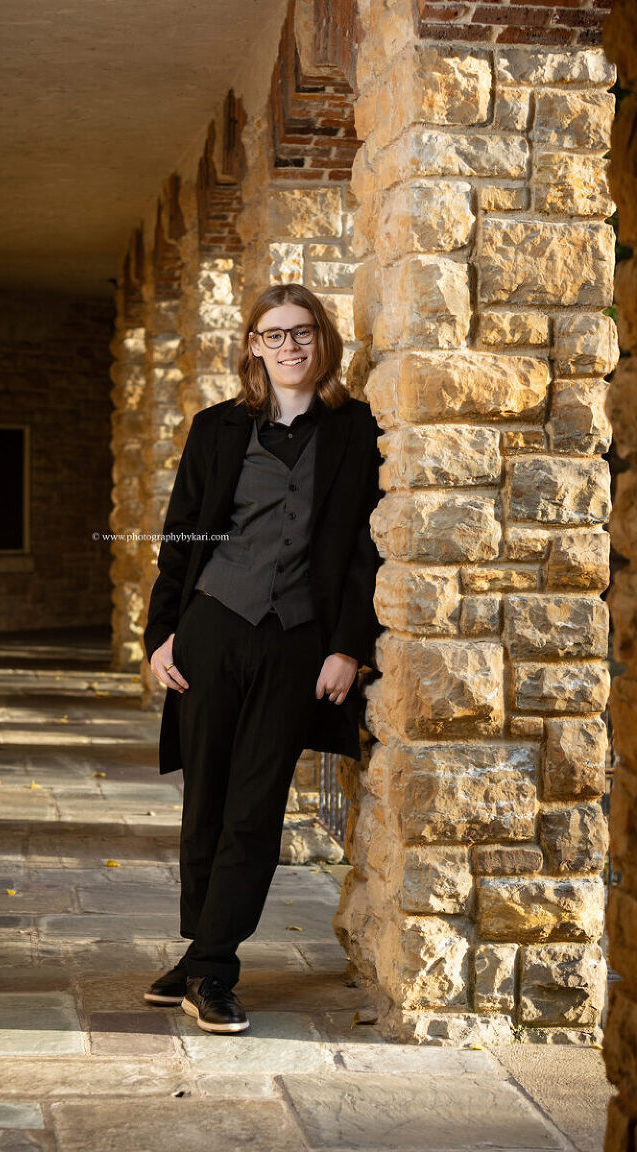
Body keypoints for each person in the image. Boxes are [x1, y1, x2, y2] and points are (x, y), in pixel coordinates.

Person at [142, 282, 380, 1034]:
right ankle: (204, 949)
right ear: (253, 345)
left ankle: (212, 969)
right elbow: (181, 534)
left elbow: (365, 553)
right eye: (273, 335)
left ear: (323, 342)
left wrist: (348, 645)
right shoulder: (215, 430)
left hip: (295, 640)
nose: (289, 347)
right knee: (205, 797)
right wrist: (160, 635)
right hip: (213, 628)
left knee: (255, 805)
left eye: (302, 333)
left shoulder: (355, 431)